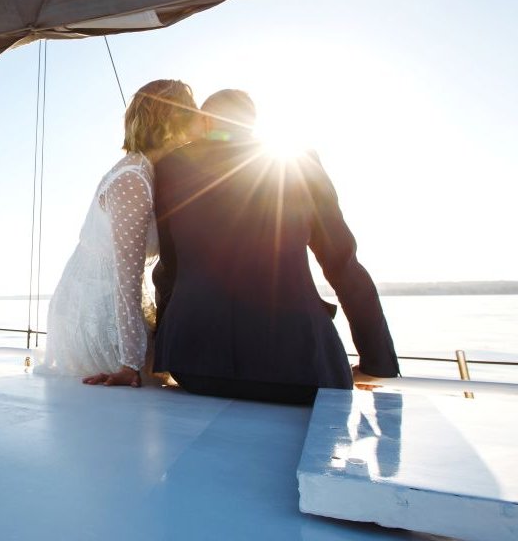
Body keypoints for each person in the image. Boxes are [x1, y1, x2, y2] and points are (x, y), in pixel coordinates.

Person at [152, 89, 398, 404]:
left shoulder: (170, 167)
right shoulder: (296, 160)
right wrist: (377, 362)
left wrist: (165, 351)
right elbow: (341, 263)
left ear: (203, 119)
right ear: (252, 123)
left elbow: (169, 269)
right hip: (299, 368)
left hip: (197, 368)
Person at [40, 79, 197, 387]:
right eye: (190, 114)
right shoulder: (133, 180)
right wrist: (130, 363)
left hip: (120, 309)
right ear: (171, 121)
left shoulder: (150, 173)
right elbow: (126, 278)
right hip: (99, 316)